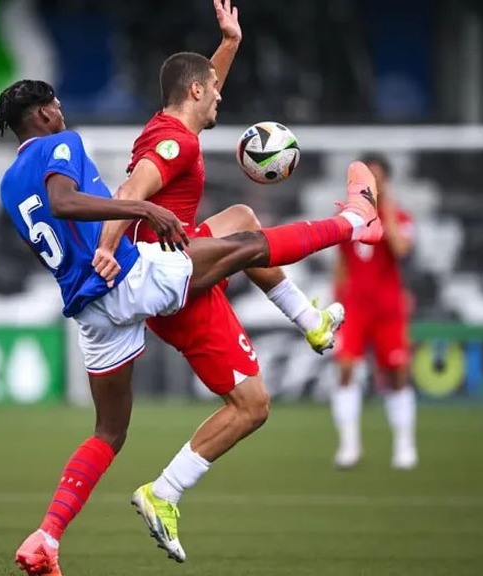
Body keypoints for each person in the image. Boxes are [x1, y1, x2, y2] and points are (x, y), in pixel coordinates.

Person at [0, 78, 381, 576]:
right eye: (56, 105)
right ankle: (354, 222)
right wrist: (141, 208)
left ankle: (47, 536)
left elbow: (53, 225)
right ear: (42, 113)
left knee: (108, 432)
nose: (61, 112)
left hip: (89, 309)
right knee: (249, 245)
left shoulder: (7, 183)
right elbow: (64, 201)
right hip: (129, 278)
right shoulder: (60, 143)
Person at [94, 2, 344, 561]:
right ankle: (165, 491)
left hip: (176, 257)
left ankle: (312, 322)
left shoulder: (170, 125)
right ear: (196, 93)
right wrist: (107, 251)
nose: (221, 95)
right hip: (176, 287)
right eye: (215, 87)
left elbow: (198, 90)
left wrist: (228, 45)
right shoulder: (176, 143)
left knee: (241, 220)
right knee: (252, 405)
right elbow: (130, 193)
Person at [330, 153, 418, 470]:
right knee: (345, 369)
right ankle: (349, 445)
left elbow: (400, 250)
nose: (374, 182)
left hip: (387, 306)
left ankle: (404, 444)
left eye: (379, 177)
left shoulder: (401, 218)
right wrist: (335, 301)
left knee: (396, 373)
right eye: (369, 176)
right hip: (354, 306)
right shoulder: (347, 218)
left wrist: (388, 210)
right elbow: (341, 266)